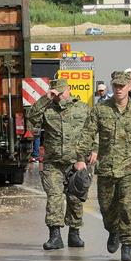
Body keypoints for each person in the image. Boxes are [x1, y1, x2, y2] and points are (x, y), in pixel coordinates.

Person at [75, 72, 131, 261]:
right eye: (115, 86)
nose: (118, 89)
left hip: (129, 167)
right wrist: (80, 158)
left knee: (128, 206)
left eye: (122, 86)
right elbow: (87, 134)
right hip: (106, 168)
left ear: (129, 87)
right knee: (107, 207)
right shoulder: (100, 110)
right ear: (112, 87)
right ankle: (113, 231)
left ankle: (128, 244)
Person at [26, 78, 91, 250]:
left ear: (68, 91)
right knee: (54, 198)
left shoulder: (82, 108)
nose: (59, 97)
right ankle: (55, 236)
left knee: (75, 199)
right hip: (53, 163)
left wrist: (86, 156)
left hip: (76, 163)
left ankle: (74, 234)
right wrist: (46, 98)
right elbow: (31, 117)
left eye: (61, 93)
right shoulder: (47, 110)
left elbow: (92, 132)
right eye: (56, 94)